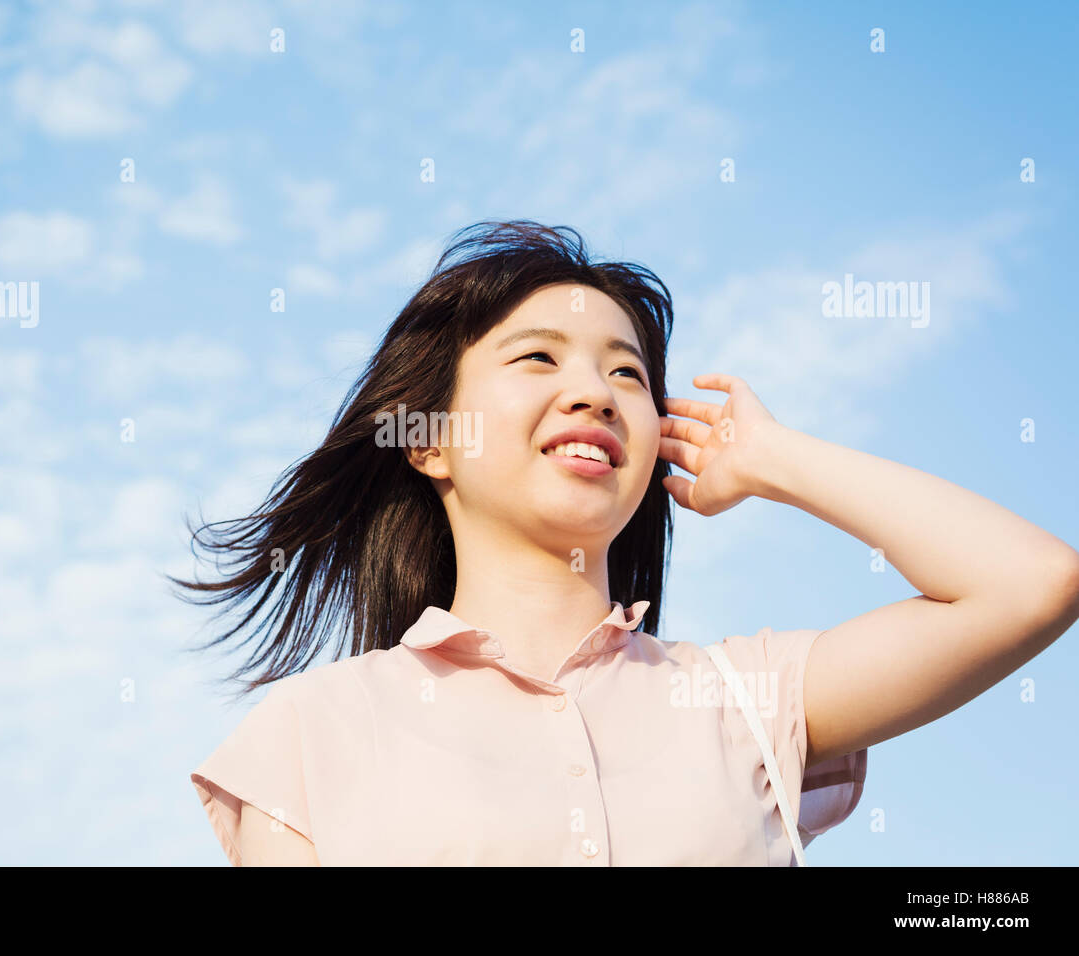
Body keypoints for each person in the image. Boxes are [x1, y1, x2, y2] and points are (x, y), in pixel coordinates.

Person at [174, 220, 1079, 866]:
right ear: (429, 438)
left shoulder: (743, 701)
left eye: (627, 372)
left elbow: (1033, 582)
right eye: (538, 358)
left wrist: (775, 459)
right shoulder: (310, 735)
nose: (594, 392)